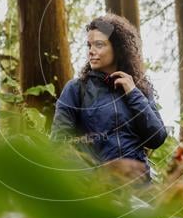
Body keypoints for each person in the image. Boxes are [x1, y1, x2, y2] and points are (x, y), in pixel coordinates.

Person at [50, 13, 168, 180]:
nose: (91, 51)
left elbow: (157, 138)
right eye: (89, 45)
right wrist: (94, 181)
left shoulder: (139, 89)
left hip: (140, 192)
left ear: (117, 48)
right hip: (97, 193)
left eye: (99, 45)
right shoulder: (76, 89)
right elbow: (59, 144)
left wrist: (133, 93)